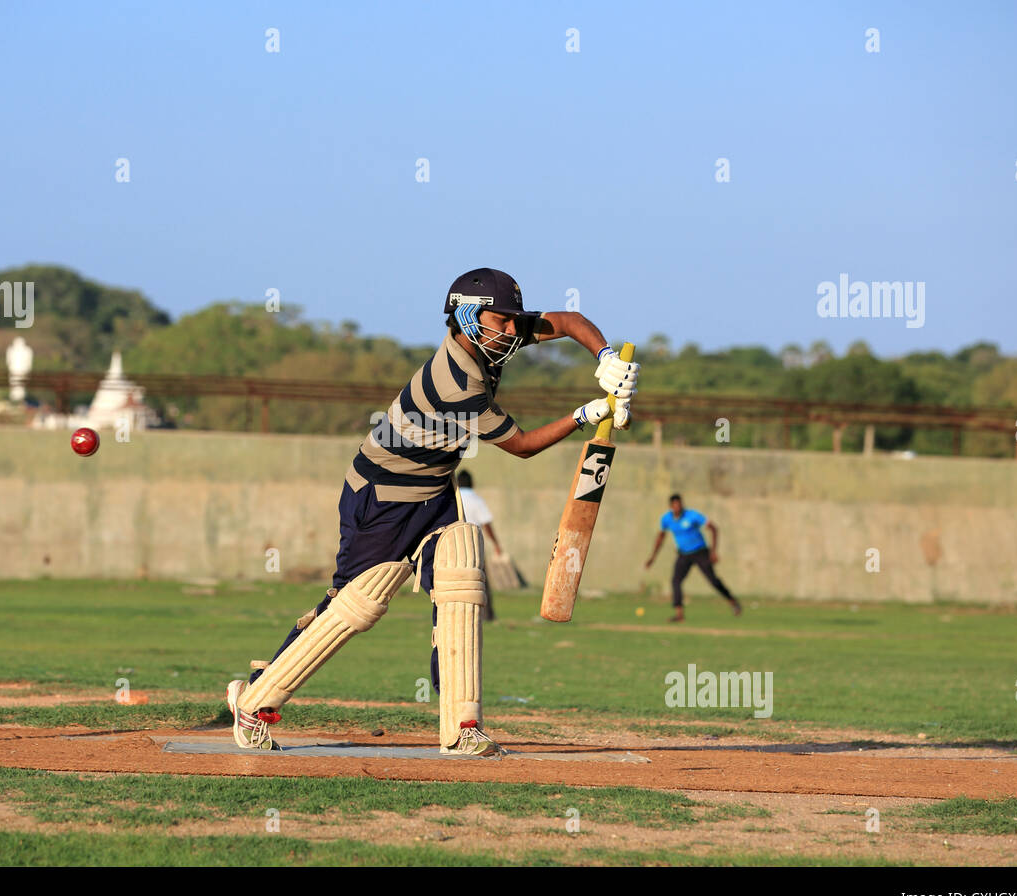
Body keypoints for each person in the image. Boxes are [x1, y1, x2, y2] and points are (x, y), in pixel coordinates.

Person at [227, 267, 639, 755]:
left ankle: (462, 726)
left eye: (512, 322)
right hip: (381, 496)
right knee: (356, 604)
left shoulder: (488, 338)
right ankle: (256, 698)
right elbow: (523, 446)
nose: (509, 331)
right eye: (499, 321)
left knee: (461, 568)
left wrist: (606, 357)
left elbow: (568, 320)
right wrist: (584, 415)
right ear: (465, 315)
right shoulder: (456, 383)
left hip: (435, 490)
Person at [643, 494, 742, 623]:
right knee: (675, 581)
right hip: (683, 554)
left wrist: (713, 552)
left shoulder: (692, 515)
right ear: (671, 506)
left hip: (700, 552)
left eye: (679, 504)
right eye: (675, 505)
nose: (678, 507)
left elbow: (713, 528)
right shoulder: (666, 519)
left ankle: (733, 602)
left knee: (713, 581)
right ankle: (679, 615)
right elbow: (661, 537)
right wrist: (653, 557)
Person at [455, 470, 502, 620]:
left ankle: (458, 614)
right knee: (480, 580)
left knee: (456, 581)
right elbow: (486, 523)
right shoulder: (476, 500)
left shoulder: (453, 497)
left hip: (455, 542)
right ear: (472, 482)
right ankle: (486, 615)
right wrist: (495, 543)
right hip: (473, 543)